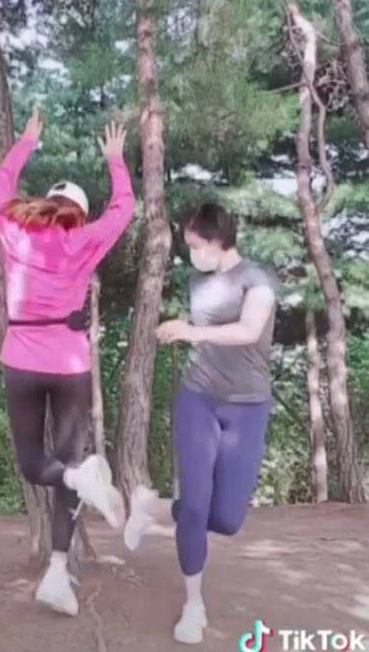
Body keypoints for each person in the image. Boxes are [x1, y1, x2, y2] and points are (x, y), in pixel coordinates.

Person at [0, 108, 135, 617]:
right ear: (78, 211)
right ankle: (56, 569)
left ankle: (61, 561)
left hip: (21, 361)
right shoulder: (85, 239)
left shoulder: (13, 230)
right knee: (71, 464)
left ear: (46, 203)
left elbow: (1, 182)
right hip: (70, 363)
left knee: (35, 464)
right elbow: (123, 209)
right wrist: (116, 160)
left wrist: (27, 142)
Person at [124, 202, 280, 646]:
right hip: (199, 400)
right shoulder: (198, 283)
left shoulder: (258, 280)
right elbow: (209, 326)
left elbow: (248, 331)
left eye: (195, 244)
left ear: (216, 240)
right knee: (195, 506)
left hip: (248, 407)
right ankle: (194, 605)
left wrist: (192, 331)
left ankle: (153, 508)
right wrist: (185, 325)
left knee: (227, 519)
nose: (191, 252)